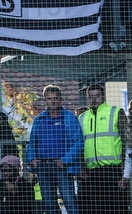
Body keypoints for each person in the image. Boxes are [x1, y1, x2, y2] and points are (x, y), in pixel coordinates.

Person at [24, 85, 82, 214]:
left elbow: (78, 142)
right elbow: (32, 141)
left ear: (61, 99)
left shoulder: (70, 118)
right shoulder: (39, 119)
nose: (53, 101)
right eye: (49, 98)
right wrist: (32, 159)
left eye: (55, 98)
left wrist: (65, 160)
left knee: (69, 202)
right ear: (45, 100)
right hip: (43, 166)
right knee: (49, 204)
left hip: (62, 166)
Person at [77, 83, 126, 214]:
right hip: (90, 172)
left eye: (97, 96)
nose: (93, 100)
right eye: (90, 97)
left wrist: (125, 168)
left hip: (113, 171)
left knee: (115, 208)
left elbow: (126, 141)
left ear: (103, 96)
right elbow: (79, 145)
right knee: (91, 208)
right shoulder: (82, 117)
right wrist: (81, 167)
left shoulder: (116, 112)